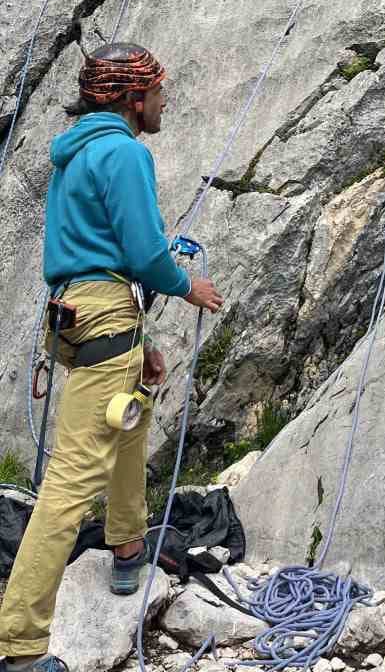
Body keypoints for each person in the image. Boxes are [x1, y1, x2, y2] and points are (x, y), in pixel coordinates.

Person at [0, 43, 224, 672]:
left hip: (84, 313)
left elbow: (103, 253)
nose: (163, 100)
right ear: (132, 98)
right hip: (104, 311)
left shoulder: (74, 154)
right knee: (71, 482)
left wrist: (141, 341)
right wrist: (189, 286)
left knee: (131, 416)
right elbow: (146, 251)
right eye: (156, 90)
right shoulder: (124, 152)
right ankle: (17, 644)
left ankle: (128, 546)